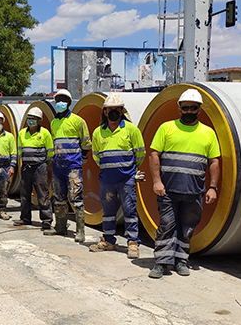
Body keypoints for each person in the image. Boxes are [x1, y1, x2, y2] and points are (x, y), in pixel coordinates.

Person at [147, 88, 220, 278]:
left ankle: (181, 261)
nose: (189, 111)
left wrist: (212, 187)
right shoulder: (167, 128)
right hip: (168, 191)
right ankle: (161, 262)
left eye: (193, 108)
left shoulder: (208, 133)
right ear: (179, 108)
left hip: (194, 192)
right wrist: (157, 181)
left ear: (199, 109)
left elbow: (214, 161)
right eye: (185, 108)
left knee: (187, 229)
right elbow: (154, 154)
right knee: (166, 226)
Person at [89, 93, 145, 258]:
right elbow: (96, 155)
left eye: (117, 109)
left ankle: (133, 243)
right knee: (108, 212)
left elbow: (140, 153)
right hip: (107, 180)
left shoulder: (131, 130)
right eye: (110, 109)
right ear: (105, 112)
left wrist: (129, 170)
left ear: (122, 111)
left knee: (130, 210)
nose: (113, 111)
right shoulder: (98, 132)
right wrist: (109, 168)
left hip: (126, 179)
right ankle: (108, 240)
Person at [45, 89, 92, 242]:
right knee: (58, 197)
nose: (60, 103)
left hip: (72, 166)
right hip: (58, 166)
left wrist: (81, 158)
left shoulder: (78, 121)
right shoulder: (54, 122)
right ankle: (60, 227)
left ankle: (80, 231)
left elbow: (86, 143)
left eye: (63, 100)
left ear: (69, 103)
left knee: (76, 196)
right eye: (58, 100)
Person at [14, 107, 53, 230]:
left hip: (39, 167)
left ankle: (46, 219)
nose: (31, 120)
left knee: (42, 193)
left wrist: (43, 163)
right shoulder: (22, 133)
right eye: (29, 118)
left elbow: (50, 152)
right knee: (24, 194)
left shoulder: (45, 133)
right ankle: (25, 218)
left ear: (39, 120)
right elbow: (20, 151)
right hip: (26, 167)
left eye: (34, 118)